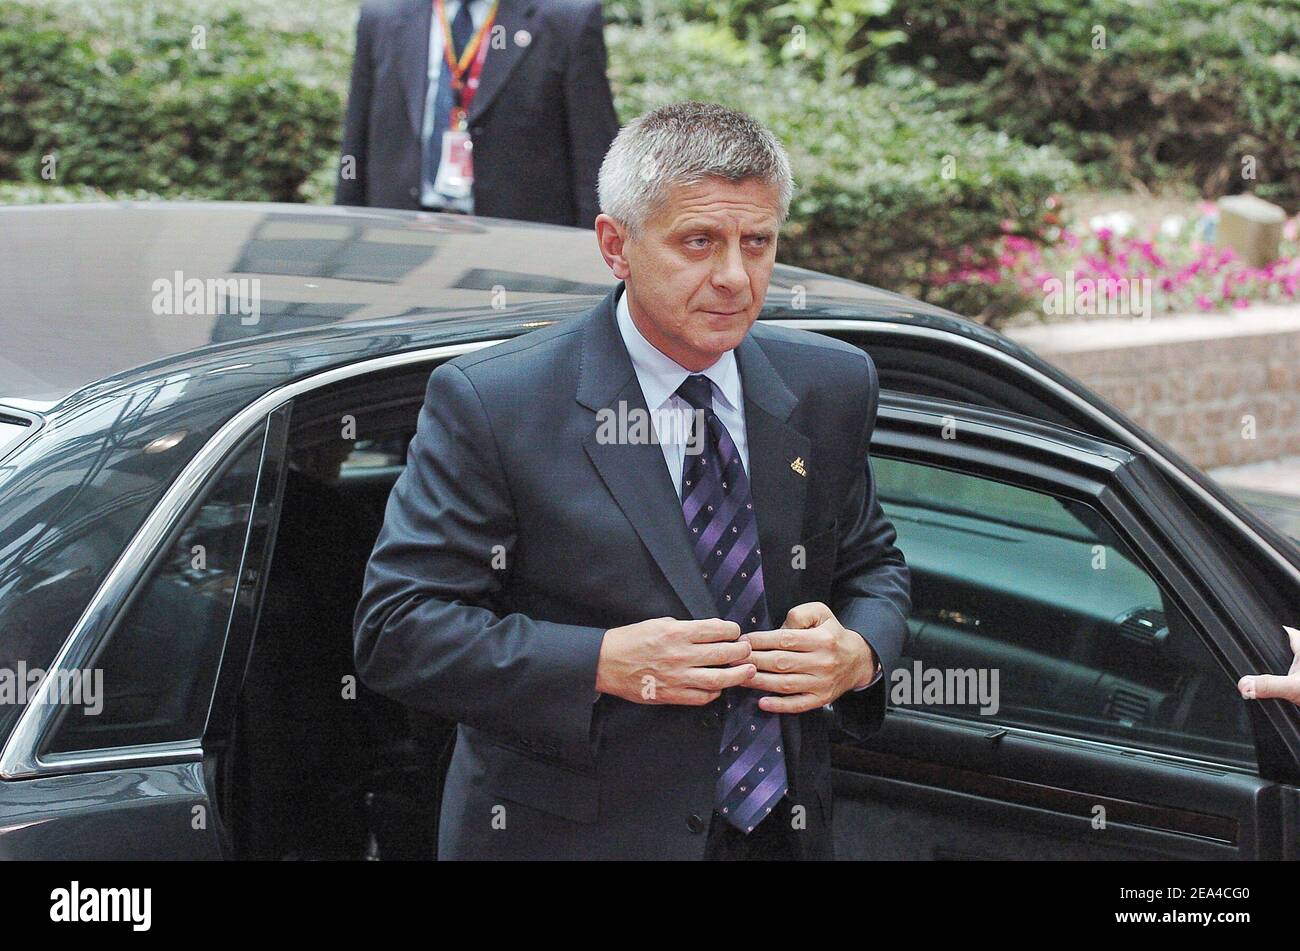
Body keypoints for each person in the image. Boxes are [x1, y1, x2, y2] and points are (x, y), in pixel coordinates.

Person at [353, 100, 912, 860]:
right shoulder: (496, 403)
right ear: (616, 246)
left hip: (781, 832)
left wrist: (859, 652)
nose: (734, 277)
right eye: (698, 242)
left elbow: (873, 564)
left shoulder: (829, 383)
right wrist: (601, 662)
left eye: (758, 242)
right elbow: (400, 629)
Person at [334, 0, 619, 227]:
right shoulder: (381, 16)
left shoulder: (567, 19)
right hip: (403, 235)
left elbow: (593, 154)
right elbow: (356, 141)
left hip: (518, 243)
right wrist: (348, 234)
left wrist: (588, 261)